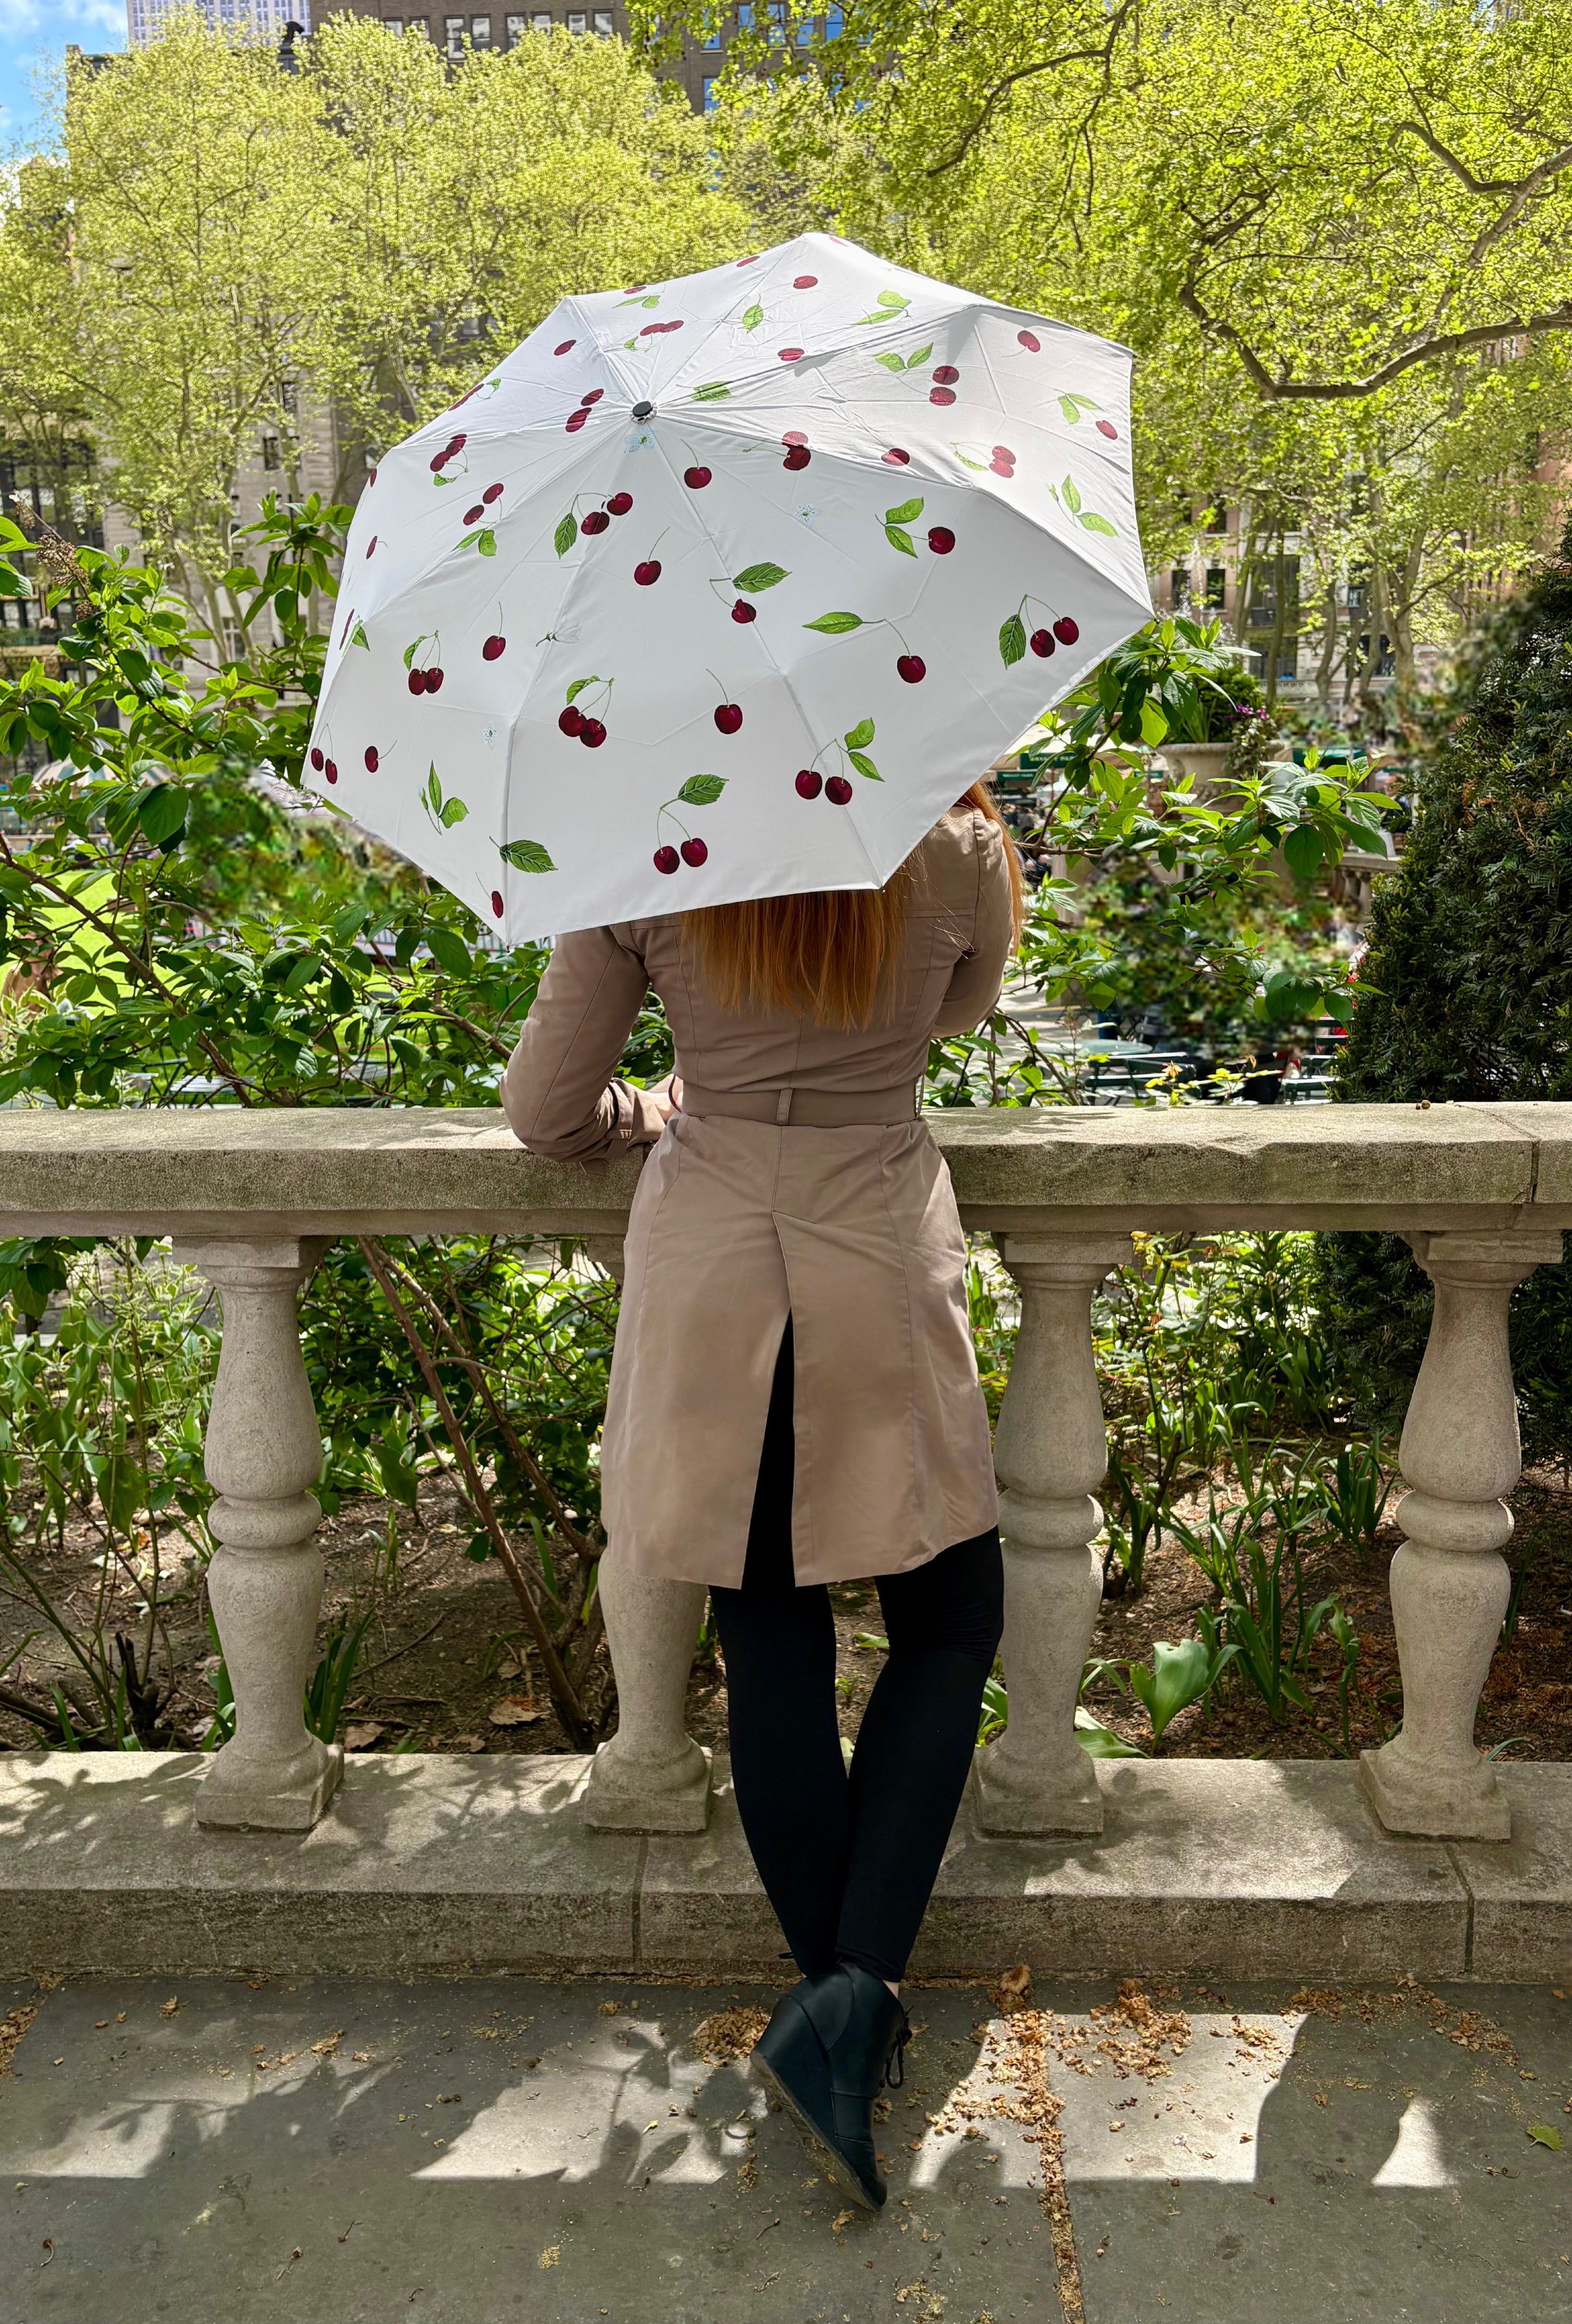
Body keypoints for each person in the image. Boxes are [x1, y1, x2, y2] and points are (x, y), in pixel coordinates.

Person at [501, 783, 1022, 2209]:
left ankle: (832, 2001)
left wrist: (662, 1103)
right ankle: (858, 1992)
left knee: (770, 1625)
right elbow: (959, 1012)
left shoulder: (642, 831)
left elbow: (547, 1111)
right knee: (952, 1614)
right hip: (878, 1239)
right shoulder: (957, 838)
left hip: (721, 1250)